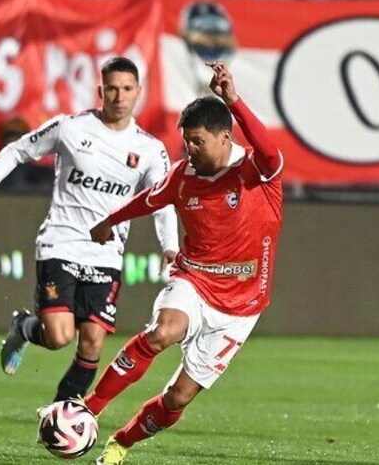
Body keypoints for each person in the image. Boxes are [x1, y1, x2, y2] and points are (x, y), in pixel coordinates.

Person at [87, 62, 283, 465]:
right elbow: (149, 199)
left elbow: (269, 150)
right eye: (186, 142)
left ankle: (121, 442)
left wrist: (233, 100)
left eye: (197, 142)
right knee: (164, 331)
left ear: (225, 137)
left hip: (242, 307)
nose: (189, 150)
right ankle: (89, 409)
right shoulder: (183, 176)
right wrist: (109, 220)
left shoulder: (256, 172)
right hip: (193, 279)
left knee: (178, 398)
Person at [0, 56, 179, 404]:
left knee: (92, 342)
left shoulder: (150, 149)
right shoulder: (69, 128)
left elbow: (162, 200)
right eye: (112, 89)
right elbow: (17, 151)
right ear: (100, 90)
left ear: (138, 92)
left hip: (106, 253)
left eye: (127, 89)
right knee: (59, 336)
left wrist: (170, 247)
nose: (119, 96)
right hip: (61, 243)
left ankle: (62, 413)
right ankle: (23, 328)